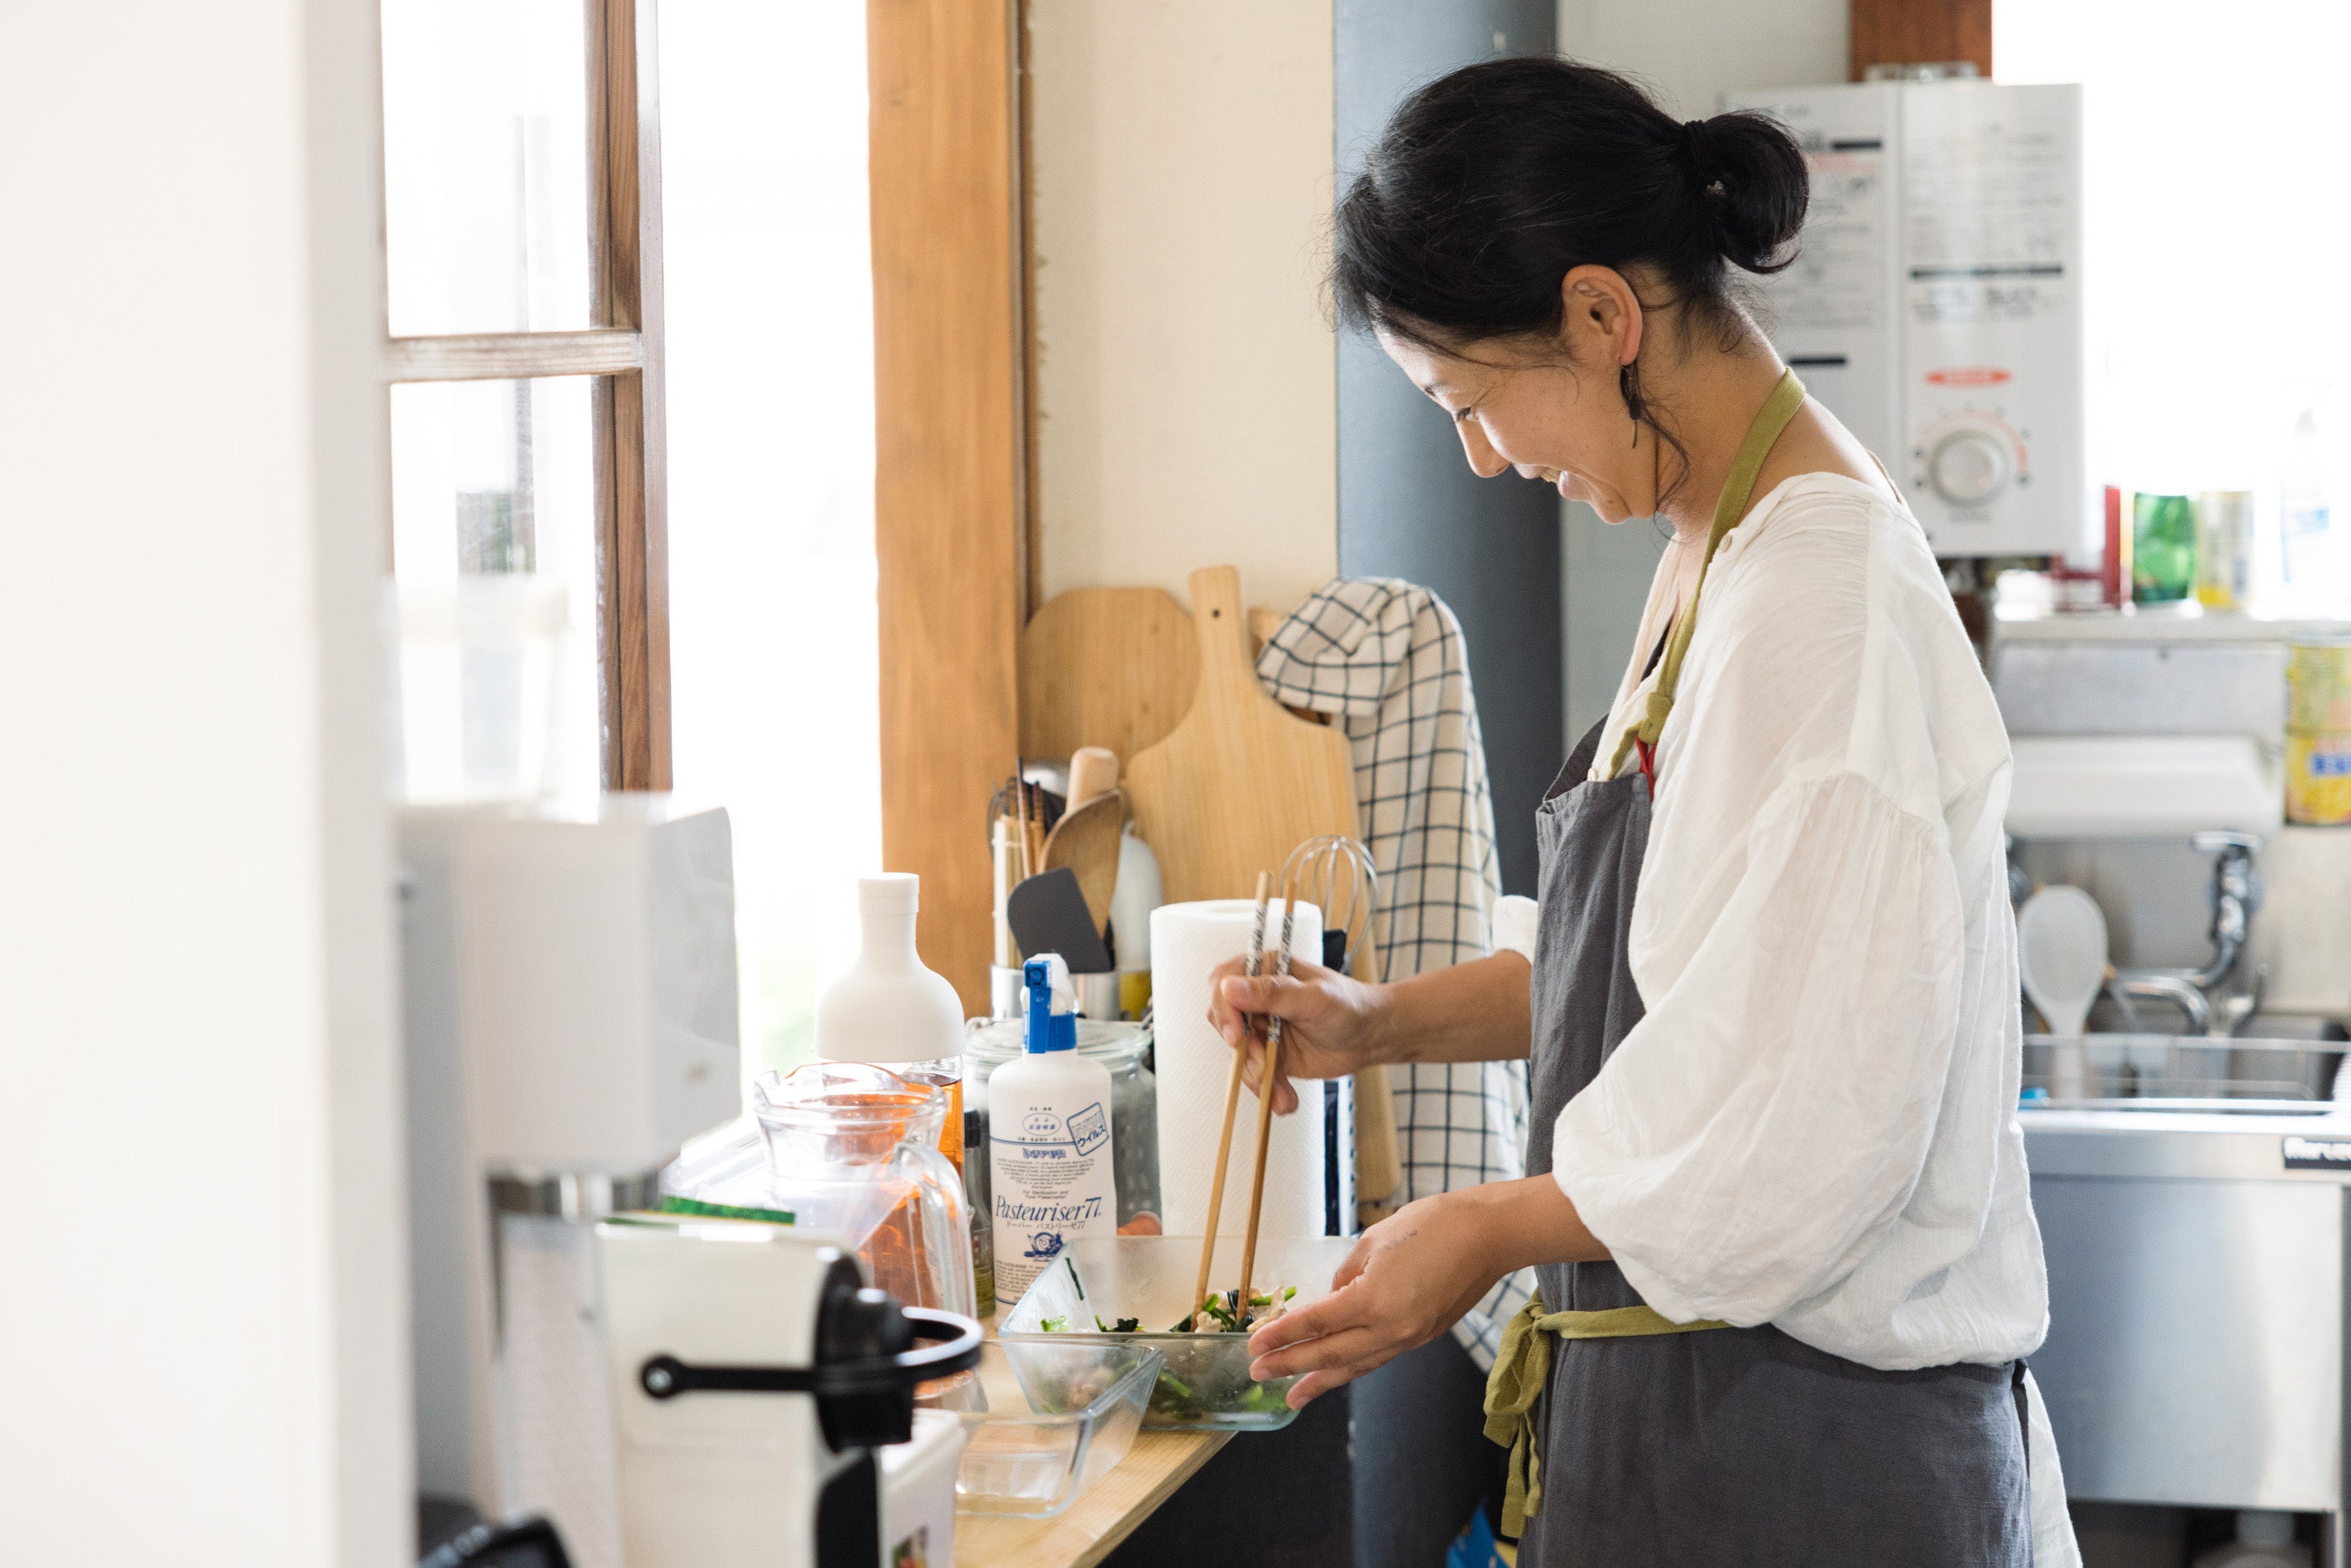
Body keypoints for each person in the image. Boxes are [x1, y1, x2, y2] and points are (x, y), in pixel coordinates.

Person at [1207, 57, 2077, 1567]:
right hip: (1706, 1420)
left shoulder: (1813, 604)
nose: (1483, 458)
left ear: (1603, 316)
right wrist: (1380, 1023)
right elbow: (1683, 983)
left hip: (1806, 1453)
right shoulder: (1717, 547)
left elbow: (1798, 1129)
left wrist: (1483, 1227)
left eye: (1474, 401)